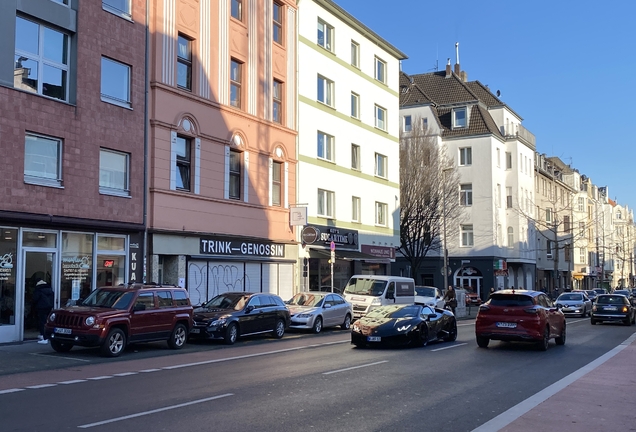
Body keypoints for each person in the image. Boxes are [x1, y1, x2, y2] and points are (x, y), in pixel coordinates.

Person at [32, 280, 54, 344]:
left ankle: (45, 337)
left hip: (41, 307)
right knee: (47, 322)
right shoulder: (50, 290)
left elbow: (35, 299)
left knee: (42, 322)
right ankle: (45, 335)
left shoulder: (38, 290)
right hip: (49, 307)